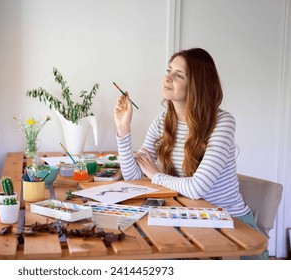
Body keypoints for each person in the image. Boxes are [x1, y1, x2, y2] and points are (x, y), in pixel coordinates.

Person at [114, 48, 267, 260]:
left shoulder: (222, 122)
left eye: (178, 75)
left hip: (232, 228)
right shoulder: (162, 121)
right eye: (169, 70)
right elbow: (133, 175)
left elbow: (196, 188)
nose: (167, 78)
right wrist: (123, 130)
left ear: (197, 85)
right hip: (189, 218)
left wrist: (155, 175)